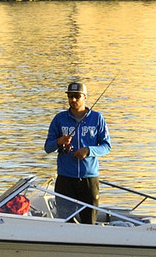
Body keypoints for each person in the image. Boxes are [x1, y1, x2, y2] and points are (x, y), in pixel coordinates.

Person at [43, 80, 110, 223]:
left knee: (89, 221)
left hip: (89, 178)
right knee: (65, 222)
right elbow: (48, 147)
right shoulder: (59, 119)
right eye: (70, 96)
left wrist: (88, 150)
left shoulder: (97, 118)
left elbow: (106, 146)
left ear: (85, 97)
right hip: (65, 178)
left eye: (77, 96)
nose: (73, 100)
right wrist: (59, 141)